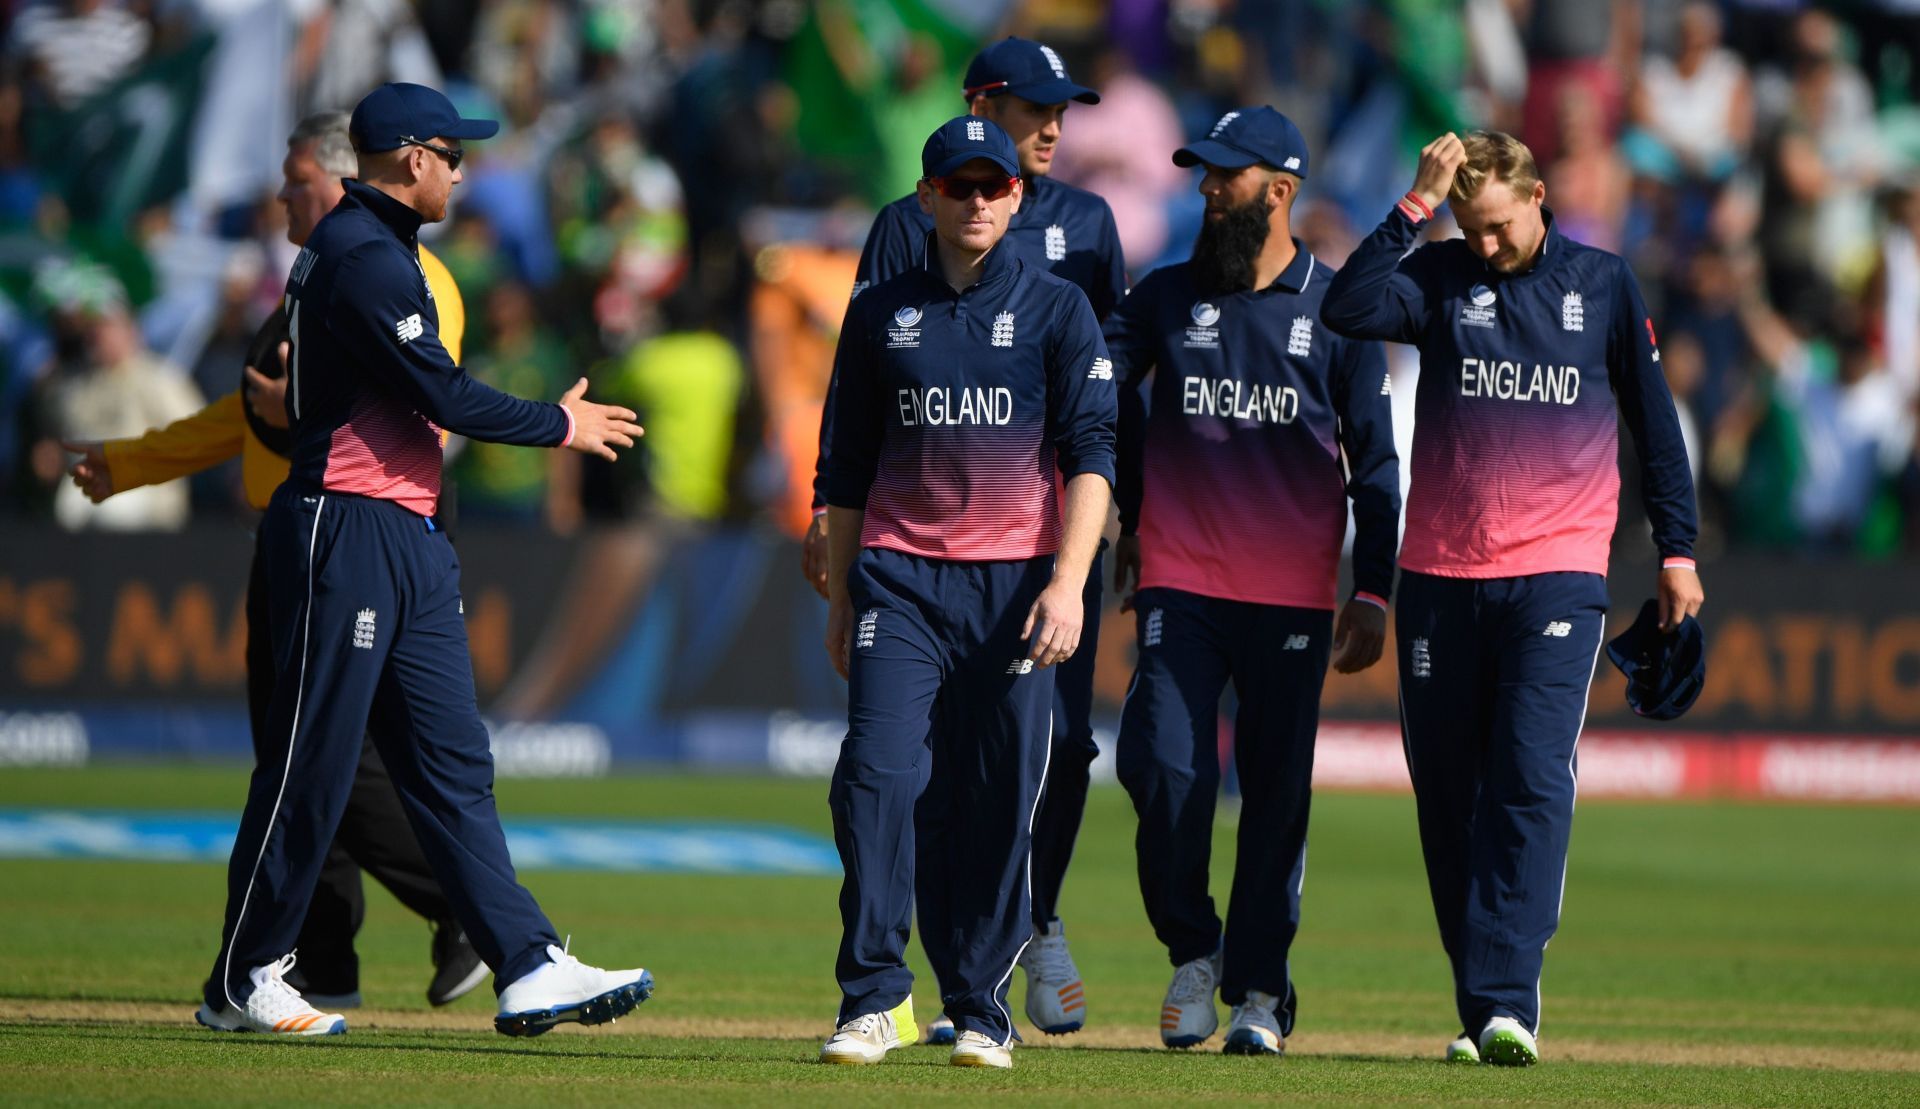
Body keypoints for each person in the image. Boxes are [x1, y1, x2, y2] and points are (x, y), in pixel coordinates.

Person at [192, 82, 650, 1038]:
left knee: (451, 764)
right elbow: (440, 393)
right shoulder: (361, 255)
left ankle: (525, 961)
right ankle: (245, 975)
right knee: (311, 761)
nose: (461, 169)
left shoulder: (385, 252)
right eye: (452, 152)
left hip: (406, 532)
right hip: (346, 526)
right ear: (409, 156)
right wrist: (560, 423)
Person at [65, 111, 487, 1011]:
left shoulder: (408, 272)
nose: (282, 194)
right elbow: (244, 415)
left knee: (336, 760)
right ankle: (312, 956)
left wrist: (292, 417)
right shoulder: (318, 273)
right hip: (302, 534)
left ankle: (469, 915)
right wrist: (133, 460)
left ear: (342, 178)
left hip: (365, 530)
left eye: (296, 177)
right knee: (298, 750)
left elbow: (428, 406)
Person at [1321, 130, 1704, 1066]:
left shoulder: (1604, 283)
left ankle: (1506, 1003)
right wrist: (1416, 205)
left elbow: (1654, 426)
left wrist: (1678, 550)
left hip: (1558, 574)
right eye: (1469, 225)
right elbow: (1348, 305)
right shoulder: (1442, 274)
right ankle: (1480, 996)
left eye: (1498, 226)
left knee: (1529, 779)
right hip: (1443, 577)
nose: (1486, 245)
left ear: (1539, 198)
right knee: (1450, 795)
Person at [802, 35, 1126, 1041]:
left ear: (1016, 199)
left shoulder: (1059, 310)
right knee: (876, 775)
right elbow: (847, 457)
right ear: (928, 194)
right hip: (901, 581)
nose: (980, 198)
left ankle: (980, 1003)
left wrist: (1070, 585)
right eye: (961, 184)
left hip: (1017, 586)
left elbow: (1092, 456)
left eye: (994, 185)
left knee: (997, 805)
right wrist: (846, 587)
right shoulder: (881, 313)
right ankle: (873, 992)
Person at [1106, 107, 1400, 1056]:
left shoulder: (1340, 310)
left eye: (1224, 176)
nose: (1205, 189)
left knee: (1274, 795)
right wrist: (1124, 509)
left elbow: (1378, 465)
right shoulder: (1162, 297)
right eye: (1201, 172)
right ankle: (1195, 948)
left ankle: (1262, 990)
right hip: (1182, 585)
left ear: (1279, 190)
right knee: (1162, 766)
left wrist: (1375, 590)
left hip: (1289, 597)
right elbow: (1094, 390)